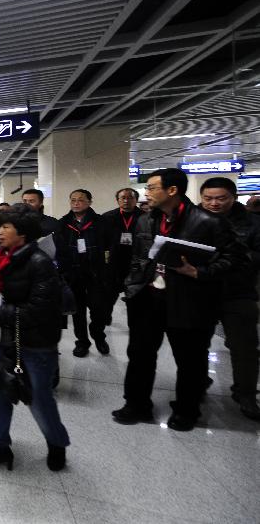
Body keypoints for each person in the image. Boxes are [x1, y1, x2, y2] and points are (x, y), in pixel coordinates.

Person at [113, 168, 246, 431]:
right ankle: (137, 403)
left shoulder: (209, 222)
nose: (146, 193)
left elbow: (236, 260)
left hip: (189, 300)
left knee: (190, 359)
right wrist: (133, 284)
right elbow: (140, 256)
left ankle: (187, 409)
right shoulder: (146, 220)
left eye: (151, 188)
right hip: (149, 297)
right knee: (140, 354)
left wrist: (200, 272)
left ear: (172, 191)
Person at [0, 203, 70, 471]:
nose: (0, 230)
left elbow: (39, 309)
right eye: (0, 225)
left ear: (24, 233)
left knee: (38, 399)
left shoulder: (40, 263)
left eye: (6, 226)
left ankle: (56, 443)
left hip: (35, 343)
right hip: (2, 338)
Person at [199, 178, 260, 420]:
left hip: (238, 292)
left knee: (244, 347)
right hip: (200, 291)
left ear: (233, 198)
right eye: (208, 198)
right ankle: (198, 382)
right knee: (195, 344)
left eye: (220, 198)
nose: (214, 203)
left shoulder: (253, 223)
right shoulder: (192, 220)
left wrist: (224, 259)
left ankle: (245, 394)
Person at [55, 189, 113, 357]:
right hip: (73, 276)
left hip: (95, 275)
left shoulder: (101, 222)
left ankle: (98, 336)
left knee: (98, 311)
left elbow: (110, 247)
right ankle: (82, 342)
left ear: (89, 202)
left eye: (80, 200)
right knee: (77, 313)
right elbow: (59, 249)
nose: (76, 202)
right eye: (73, 199)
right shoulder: (64, 223)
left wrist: (107, 271)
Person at [102, 188, 140, 319]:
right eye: (122, 198)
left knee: (134, 297)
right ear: (117, 200)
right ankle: (106, 316)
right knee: (109, 294)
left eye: (130, 198)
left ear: (136, 200)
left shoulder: (145, 217)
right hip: (113, 262)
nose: (126, 200)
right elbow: (102, 240)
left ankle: (134, 321)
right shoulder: (107, 217)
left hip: (135, 263)